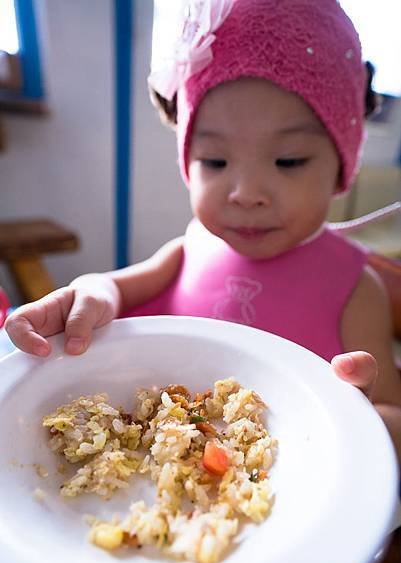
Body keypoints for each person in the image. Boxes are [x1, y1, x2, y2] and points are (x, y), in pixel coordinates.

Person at [5, 0, 401, 463]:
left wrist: (367, 421)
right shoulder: (194, 246)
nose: (245, 192)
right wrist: (86, 295)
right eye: (215, 161)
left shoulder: (356, 287)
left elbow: (392, 411)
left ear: (340, 168)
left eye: (288, 161)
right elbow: (110, 289)